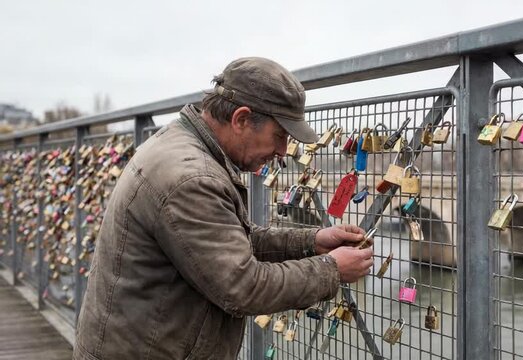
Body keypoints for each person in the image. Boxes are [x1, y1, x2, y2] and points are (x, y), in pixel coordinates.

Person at [73, 57, 374, 360]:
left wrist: (311, 242)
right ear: (241, 119)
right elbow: (243, 286)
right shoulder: (192, 179)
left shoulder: (182, 144)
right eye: (280, 135)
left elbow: (228, 244)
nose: (283, 151)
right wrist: (331, 270)